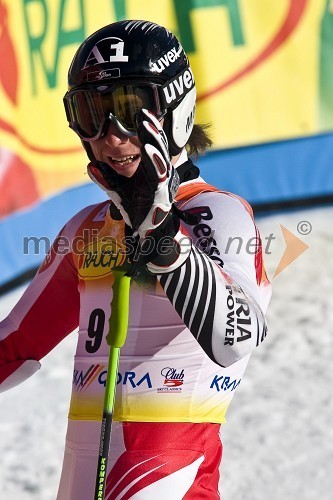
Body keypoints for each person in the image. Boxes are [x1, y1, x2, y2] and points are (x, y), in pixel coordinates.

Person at [0, 20, 271, 499]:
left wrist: (161, 233)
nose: (111, 134)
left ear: (174, 109)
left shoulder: (216, 213)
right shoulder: (88, 228)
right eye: (91, 112)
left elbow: (238, 338)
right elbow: (14, 344)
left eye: (129, 108)